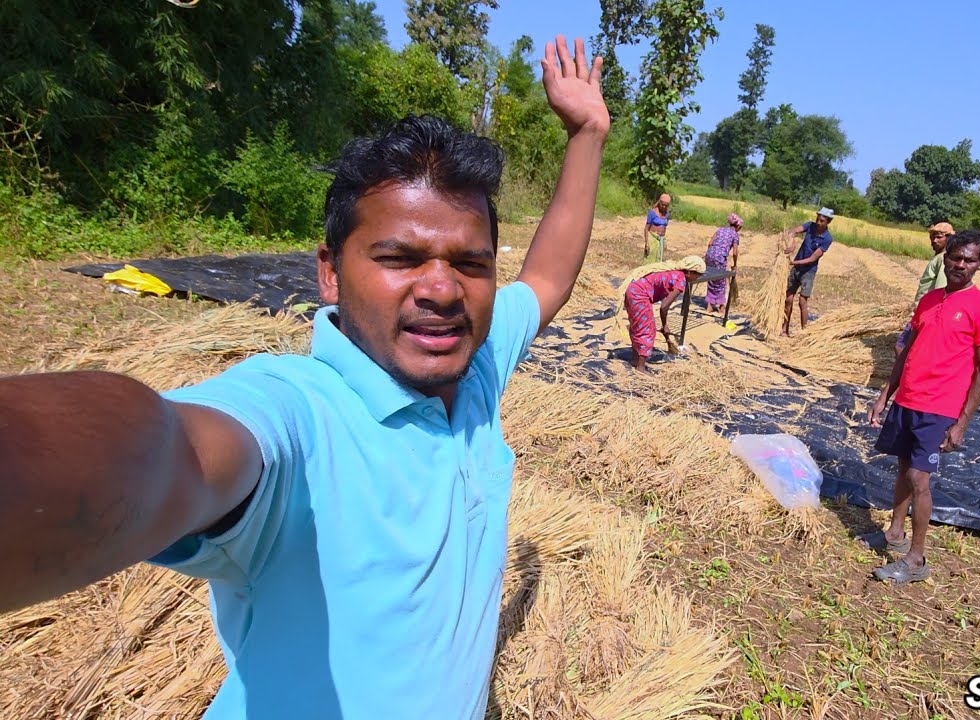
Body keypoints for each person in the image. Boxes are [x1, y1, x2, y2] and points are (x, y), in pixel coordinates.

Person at [0, 35, 610, 720]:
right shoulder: (297, 416)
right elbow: (164, 450)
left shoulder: (476, 365)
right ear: (329, 270)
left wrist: (587, 133)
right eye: (400, 256)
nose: (442, 288)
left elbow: (548, 276)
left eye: (469, 263)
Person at [866, 229, 980, 584]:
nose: (960, 265)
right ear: (945, 258)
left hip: (940, 406)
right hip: (908, 398)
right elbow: (906, 352)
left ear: (979, 264)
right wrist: (885, 395)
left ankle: (916, 560)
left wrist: (962, 423)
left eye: (969, 260)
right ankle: (894, 534)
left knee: (919, 478)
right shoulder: (928, 301)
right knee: (903, 468)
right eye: (955, 258)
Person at [614, 255, 706, 372]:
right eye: (698, 275)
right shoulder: (681, 280)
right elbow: (664, 307)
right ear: (689, 272)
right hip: (639, 294)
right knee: (647, 330)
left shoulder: (675, 272)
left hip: (633, 290)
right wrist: (665, 325)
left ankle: (636, 360)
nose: (698, 278)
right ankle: (640, 368)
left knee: (638, 327)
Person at [895, 221, 955, 355]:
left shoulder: (943, 259)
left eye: (939, 237)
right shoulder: (939, 257)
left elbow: (941, 290)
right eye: (932, 237)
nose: (934, 240)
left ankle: (903, 375)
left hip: (927, 312)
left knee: (902, 346)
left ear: (949, 239)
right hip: (923, 311)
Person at [782, 207, 835, 336]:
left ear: (828, 222)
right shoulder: (810, 226)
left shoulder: (827, 239)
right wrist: (792, 240)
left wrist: (793, 263)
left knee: (802, 301)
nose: (818, 222)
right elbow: (794, 230)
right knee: (788, 299)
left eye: (822, 221)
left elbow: (813, 258)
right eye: (818, 219)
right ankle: (784, 329)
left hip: (808, 271)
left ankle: (804, 332)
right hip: (796, 269)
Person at [703, 212, 743, 314]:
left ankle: (709, 305)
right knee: (721, 281)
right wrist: (735, 264)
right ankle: (721, 307)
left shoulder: (720, 230)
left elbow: (710, 243)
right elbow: (735, 252)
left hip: (710, 254)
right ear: (737, 226)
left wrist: (709, 256)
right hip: (719, 258)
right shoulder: (735, 234)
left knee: (711, 278)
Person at [643, 192, 672, 262]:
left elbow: (665, 227)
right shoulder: (652, 213)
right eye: (662, 205)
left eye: (666, 205)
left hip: (661, 239)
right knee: (649, 259)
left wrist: (664, 242)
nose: (664, 207)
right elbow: (646, 229)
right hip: (652, 239)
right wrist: (647, 243)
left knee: (659, 260)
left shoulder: (667, 214)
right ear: (659, 203)